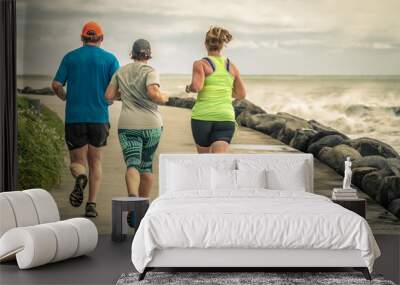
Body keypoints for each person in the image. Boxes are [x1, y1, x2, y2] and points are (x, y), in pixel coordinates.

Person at [52, 21, 119, 217]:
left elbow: (56, 84)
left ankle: (81, 176)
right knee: (96, 161)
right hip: (99, 118)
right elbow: (116, 89)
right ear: (101, 39)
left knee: (77, 161)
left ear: (82, 38)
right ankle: (91, 205)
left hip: (75, 117)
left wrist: (65, 96)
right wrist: (109, 100)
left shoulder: (70, 58)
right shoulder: (110, 59)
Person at [105, 39, 168, 198]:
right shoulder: (150, 71)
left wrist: (126, 96)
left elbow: (109, 96)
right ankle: (142, 205)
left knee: (132, 163)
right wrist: (164, 97)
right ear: (149, 54)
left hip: (128, 126)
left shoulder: (120, 72)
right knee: (146, 166)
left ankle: (133, 197)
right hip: (151, 126)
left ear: (132, 54)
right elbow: (153, 93)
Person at [186, 26, 246, 154]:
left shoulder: (201, 64)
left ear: (205, 44)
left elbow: (197, 87)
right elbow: (241, 94)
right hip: (225, 117)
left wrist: (189, 88)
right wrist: (224, 91)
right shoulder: (232, 66)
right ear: (222, 45)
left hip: (203, 117)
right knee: (219, 162)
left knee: (204, 161)